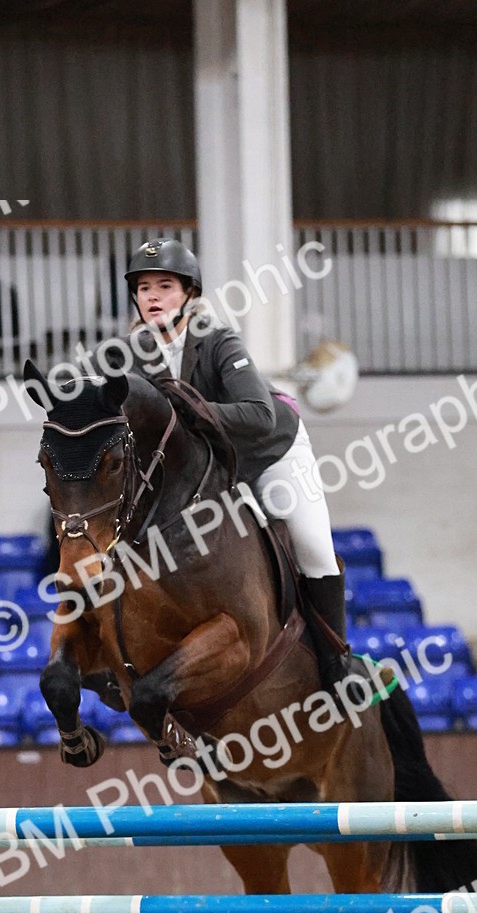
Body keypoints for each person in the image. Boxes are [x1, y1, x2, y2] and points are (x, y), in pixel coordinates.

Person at [118, 238, 352, 698]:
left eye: (165, 286)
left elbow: (259, 415)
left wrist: (188, 405)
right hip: (214, 466)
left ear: (188, 294)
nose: (153, 297)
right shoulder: (136, 354)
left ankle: (335, 662)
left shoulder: (218, 340)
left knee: (313, 546)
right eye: (144, 287)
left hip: (270, 451)